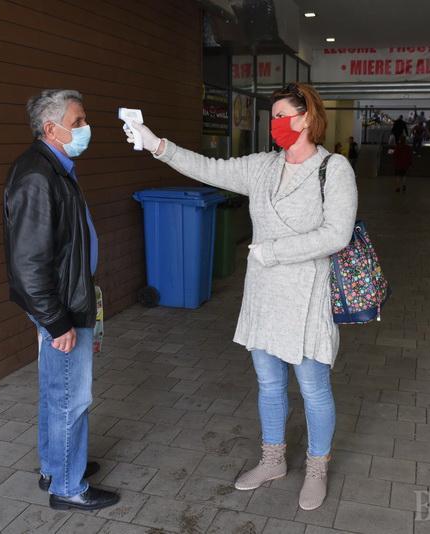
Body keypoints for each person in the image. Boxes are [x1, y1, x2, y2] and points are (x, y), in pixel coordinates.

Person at [123, 82, 357, 511]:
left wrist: (272, 251)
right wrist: (156, 144)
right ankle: (272, 461)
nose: (275, 124)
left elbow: (336, 234)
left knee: (312, 388)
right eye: (273, 117)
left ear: (306, 118)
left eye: (283, 115)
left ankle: (317, 467)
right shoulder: (262, 167)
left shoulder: (334, 169)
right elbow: (209, 169)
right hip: (264, 297)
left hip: (306, 297)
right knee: (269, 384)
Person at [3, 89, 120, 511]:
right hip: (62, 308)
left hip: (69, 298)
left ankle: (57, 466)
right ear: (51, 128)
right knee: (71, 396)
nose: (85, 129)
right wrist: (57, 322)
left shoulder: (55, 167)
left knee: (58, 391)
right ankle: (68, 488)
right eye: (78, 121)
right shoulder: (38, 175)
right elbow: (28, 262)